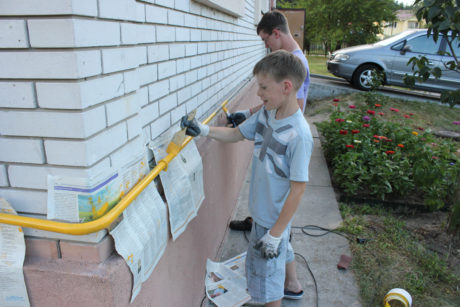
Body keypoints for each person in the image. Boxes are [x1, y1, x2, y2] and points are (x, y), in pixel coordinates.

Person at [181, 50, 313, 306]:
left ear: (286, 87)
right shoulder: (267, 113)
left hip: (272, 219)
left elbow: (298, 190)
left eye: (263, 87)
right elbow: (238, 134)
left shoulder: (299, 135)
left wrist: (274, 234)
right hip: (267, 214)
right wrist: (204, 130)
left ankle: (281, 291)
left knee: (267, 286)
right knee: (280, 256)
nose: (259, 93)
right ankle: (294, 286)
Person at [227, 9, 310, 127]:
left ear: (276, 33)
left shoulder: (294, 62)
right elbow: (278, 101)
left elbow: (297, 106)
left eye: (265, 39)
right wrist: (248, 113)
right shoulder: (291, 58)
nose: (266, 45)